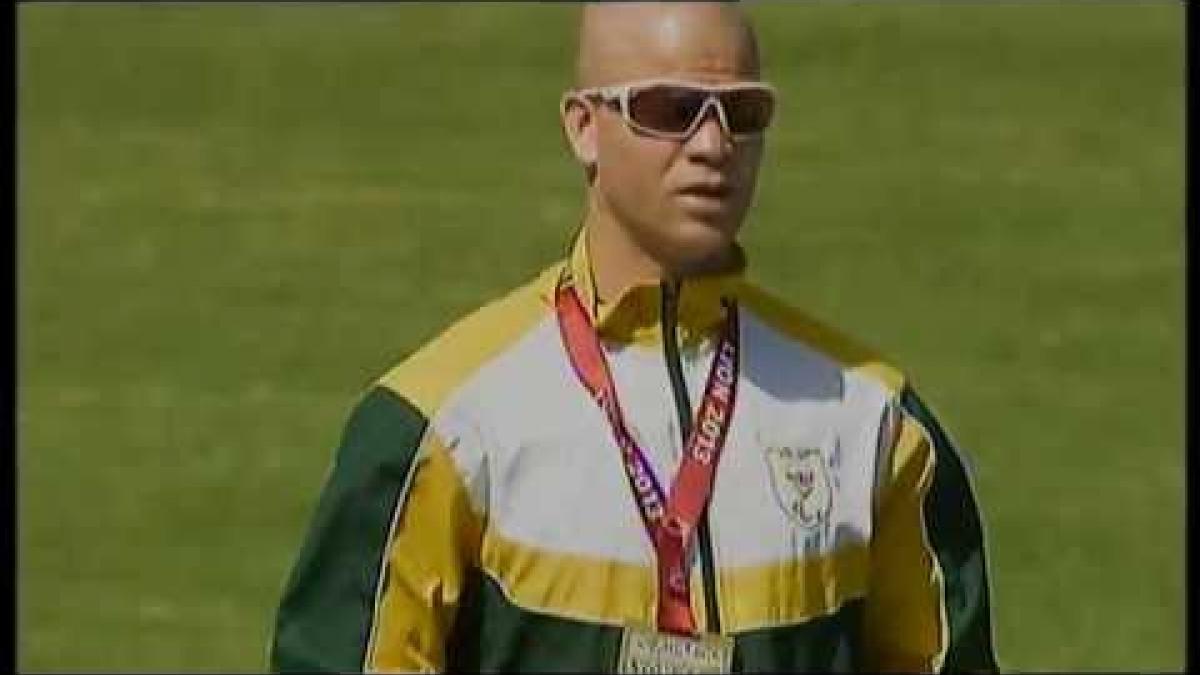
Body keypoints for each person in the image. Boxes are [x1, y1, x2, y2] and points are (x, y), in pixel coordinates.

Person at [269, 2, 999, 672]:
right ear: (583, 126)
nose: (713, 143)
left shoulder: (874, 421)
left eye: (742, 112)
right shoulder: (441, 424)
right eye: (671, 108)